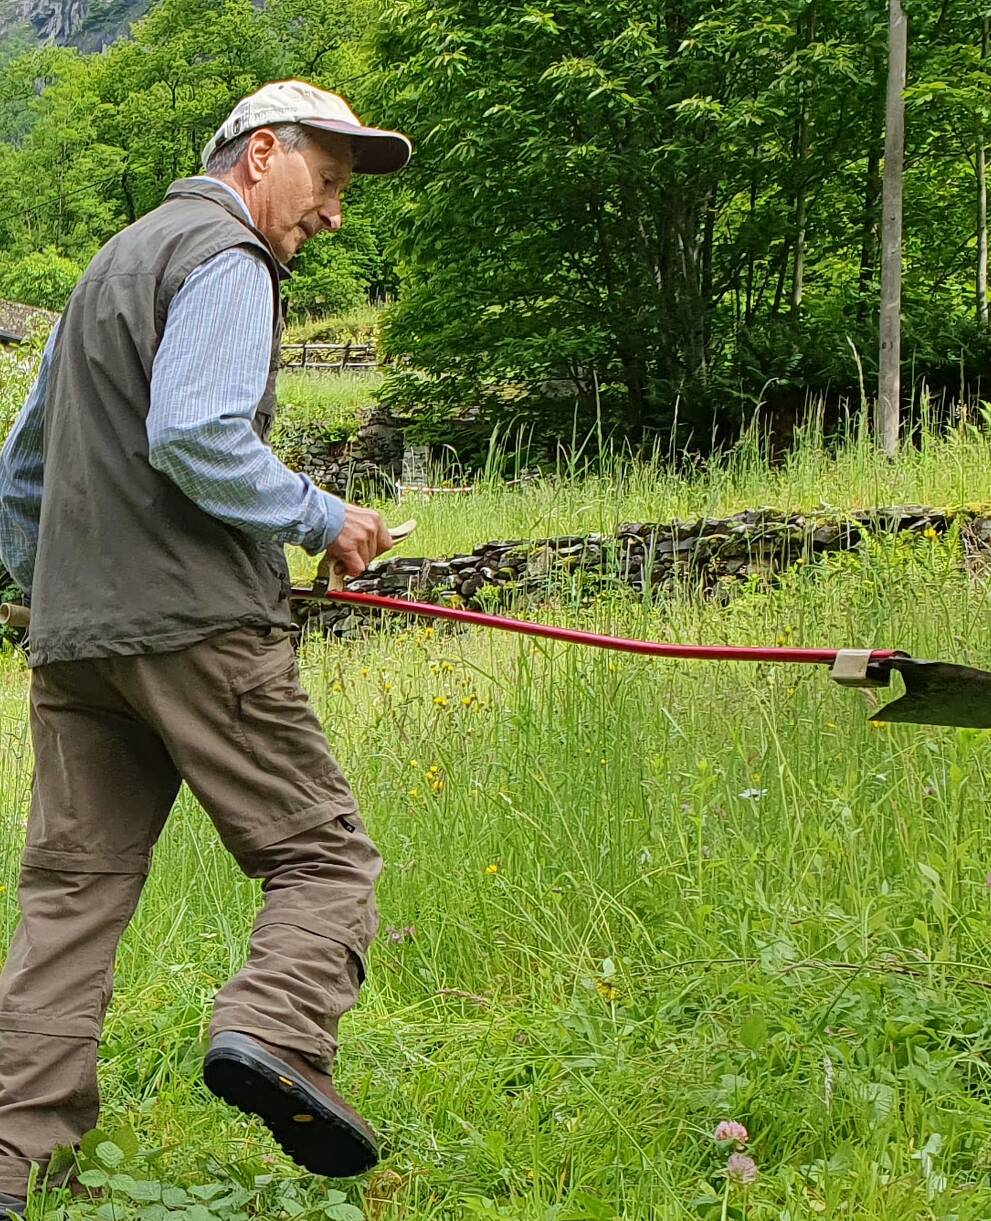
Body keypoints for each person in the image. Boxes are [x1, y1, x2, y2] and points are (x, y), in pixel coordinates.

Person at [0, 80, 412, 1216]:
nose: (331, 213)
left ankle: (10, 1158)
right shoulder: (227, 257)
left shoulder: (107, 268)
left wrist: (55, 594)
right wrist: (327, 519)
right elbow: (194, 431)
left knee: (70, 897)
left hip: (74, 644)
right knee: (323, 861)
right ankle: (271, 1034)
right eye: (325, 183)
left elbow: (20, 478)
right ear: (259, 153)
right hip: (196, 629)